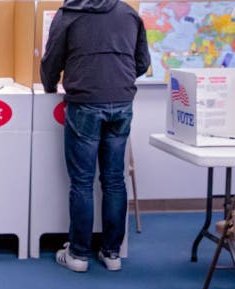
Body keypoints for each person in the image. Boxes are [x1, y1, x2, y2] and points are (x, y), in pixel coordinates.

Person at [40, 0, 150, 272]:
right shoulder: (128, 13)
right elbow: (142, 62)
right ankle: (112, 253)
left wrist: (50, 85)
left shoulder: (69, 14)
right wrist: (117, 80)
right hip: (122, 102)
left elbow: (52, 59)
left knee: (82, 182)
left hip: (85, 103)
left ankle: (78, 255)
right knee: (114, 179)